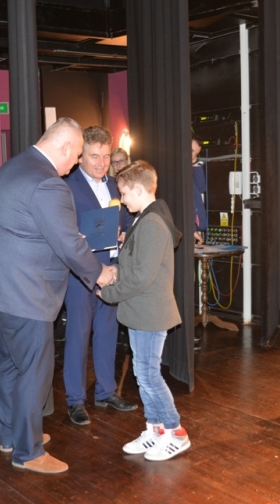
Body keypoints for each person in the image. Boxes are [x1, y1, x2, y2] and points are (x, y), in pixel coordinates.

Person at [0, 118, 117, 474]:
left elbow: (31, 229)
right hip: (26, 293)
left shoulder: (13, 166)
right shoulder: (48, 182)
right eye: (77, 154)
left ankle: (12, 436)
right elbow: (68, 244)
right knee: (33, 371)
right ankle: (28, 452)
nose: (76, 163)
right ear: (64, 147)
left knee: (9, 365)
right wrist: (100, 273)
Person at [99, 161, 191, 461]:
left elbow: (141, 277)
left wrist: (108, 292)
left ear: (139, 189)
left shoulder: (151, 224)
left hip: (151, 313)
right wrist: (116, 270)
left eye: (124, 193)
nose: (122, 200)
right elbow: (135, 264)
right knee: (143, 373)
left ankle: (176, 432)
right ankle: (155, 429)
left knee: (149, 375)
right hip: (141, 312)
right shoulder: (145, 218)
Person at [63, 126, 136, 426]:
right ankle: (75, 400)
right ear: (80, 156)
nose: (102, 163)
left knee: (108, 333)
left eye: (106, 157)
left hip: (112, 270)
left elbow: (127, 219)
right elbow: (63, 233)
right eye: (95, 156)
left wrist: (125, 233)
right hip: (81, 275)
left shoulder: (115, 184)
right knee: (78, 337)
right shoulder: (66, 186)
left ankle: (106, 392)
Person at [192, 136, 207, 245]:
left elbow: (201, 187)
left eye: (196, 153)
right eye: (191, 151)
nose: (193, 155)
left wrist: (194, 162)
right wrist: (192, 229)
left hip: (193, 228)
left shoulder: (190, 167)